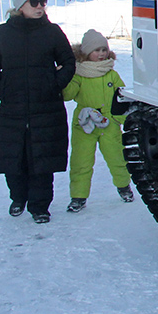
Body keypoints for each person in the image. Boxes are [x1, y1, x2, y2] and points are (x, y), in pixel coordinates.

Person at [0, 0, 75, 224]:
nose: (40, 6)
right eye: (34, 2)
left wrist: (53, 83)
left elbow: (69, 62)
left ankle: (40, 206)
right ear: (19, 5)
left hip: (46, 108)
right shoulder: (2, 33)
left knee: (42, 161)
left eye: (43, 1)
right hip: (13, 108)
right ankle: (18, 197)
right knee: (13, 158)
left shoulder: (52, 32)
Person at [63, 29, 133, 212]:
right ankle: (78, 196)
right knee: (81, 161)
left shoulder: (111, 74)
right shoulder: (78, 74)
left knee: (117, 157)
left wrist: (122, 119)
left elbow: (121, 98)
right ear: (85, 53)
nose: (101, 54)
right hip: (84, 124)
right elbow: (67, 95)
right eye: (97, 50)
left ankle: (124, 186)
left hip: (109, 123)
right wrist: (63, 77)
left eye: (104, 49)